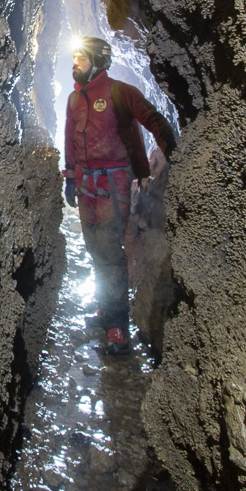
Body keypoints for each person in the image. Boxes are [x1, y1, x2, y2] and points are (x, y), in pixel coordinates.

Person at [63, 36, 177, 355]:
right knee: (95, 249)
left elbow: (152, 117)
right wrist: (71, 179)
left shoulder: (119, 91)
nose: (75, 63)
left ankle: (118, 328)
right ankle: (106, 309)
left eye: (81, 58)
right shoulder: (75, 100)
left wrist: (174, 150)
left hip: (113, 184)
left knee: (111, 254)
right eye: (74, 58)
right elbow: (70, 139)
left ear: (99, 61)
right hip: (86, 187)